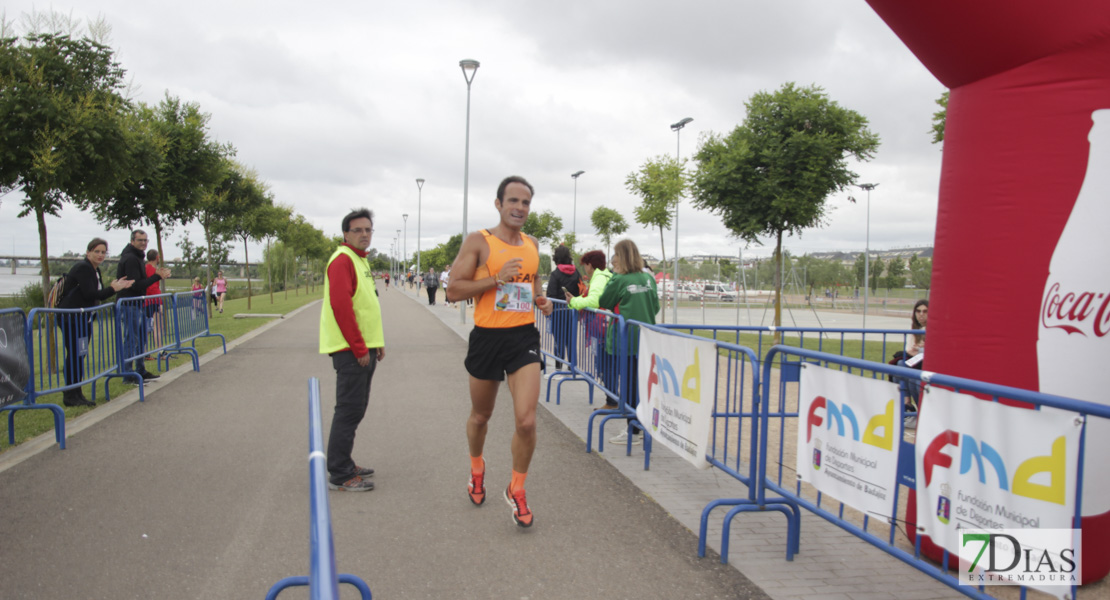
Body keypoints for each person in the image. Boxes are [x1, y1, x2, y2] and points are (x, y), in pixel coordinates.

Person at [446, 175, 554, 528]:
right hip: (487, 338)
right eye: (513, 201)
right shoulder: (480, 241)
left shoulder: (533, 243)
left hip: (523, 337)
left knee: (527, 420)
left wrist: (541, 299)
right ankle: (477, 468)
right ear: (498, 204)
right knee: (481, 416)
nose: (520, 208)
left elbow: (534, 282)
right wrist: (496, 280)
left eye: (525, 203)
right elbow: (453, 291)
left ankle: (517, 489)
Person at [319, 208, 386, 492]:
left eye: (368, 230)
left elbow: (365, 304)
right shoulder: (343, 260)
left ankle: (344, 461)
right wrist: (360, 347)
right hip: (350, 350)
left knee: (356, 408)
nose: (364, 235)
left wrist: (376, 343)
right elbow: (342, 307)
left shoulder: (359, 261)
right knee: (348, 409)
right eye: (357, 230)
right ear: (345, 233)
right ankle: (340, 473)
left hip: (363, 348)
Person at [58, 238, 134, 406]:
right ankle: (70, 395)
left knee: (79, 354)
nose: (100, 255)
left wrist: (113, 288)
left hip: (82, 318)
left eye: (103, 252)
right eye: (97, 251)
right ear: (88, 252)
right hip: (71, 318)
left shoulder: (94, 270)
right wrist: (113, 289)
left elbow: (93, 295)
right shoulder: (84, 268)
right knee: (75, 355)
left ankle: (76, 392)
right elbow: (90, 294)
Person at [598, 240, 660, 445]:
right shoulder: (648, 278)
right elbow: (656, 307)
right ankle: (639, 426)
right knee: (641, 384)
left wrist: (615, 276)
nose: (613, 259)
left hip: (625, 340)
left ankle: (634, 429)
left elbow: (604, 301)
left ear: (622, 257)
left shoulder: (620, 279)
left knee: (630, 384)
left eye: (615, 255)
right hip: (646, 337)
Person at [116, 230, 169, 381]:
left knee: (140, 338)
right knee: (132, 339)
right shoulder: (131, 258)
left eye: (145, 240)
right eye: (140, 240)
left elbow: (139, 284)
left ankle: (140, 369)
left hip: (137, 303)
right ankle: (128, 374)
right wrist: (156, 277)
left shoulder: (138, 257)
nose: (143, 243)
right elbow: (135, 284)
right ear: (132, 241)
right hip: (129, 304)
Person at [568, 249, 615, 408]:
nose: (584, 269)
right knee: (605, 364)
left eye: (585, 265)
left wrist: (573, 303)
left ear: (590, 264)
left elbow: (594, 300)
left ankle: (612, 400)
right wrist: (575, 299)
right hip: (605, 325)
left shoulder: (599, 278)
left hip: (602, 327)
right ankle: (613, 398)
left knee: (603, 365)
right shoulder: (606, 275)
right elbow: (591, 296)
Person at [544, 244, 581, 371]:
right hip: (572, 311)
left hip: (558, 312)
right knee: (571, 340)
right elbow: (581, 290)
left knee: (558, 341)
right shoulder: (576, 272)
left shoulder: (556, 274)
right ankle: (572, 368)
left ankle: (558, 368)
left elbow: (551, 294)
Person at [144, 250, 166, 360]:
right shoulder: (153, 270)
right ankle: (161, 351)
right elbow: (153, 288)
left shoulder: (145, 268)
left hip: (147, 301)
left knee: (147, 327)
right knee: (157, 327)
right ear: (157, 257)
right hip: (153, 301)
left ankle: (145, 352)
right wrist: (159, 302)